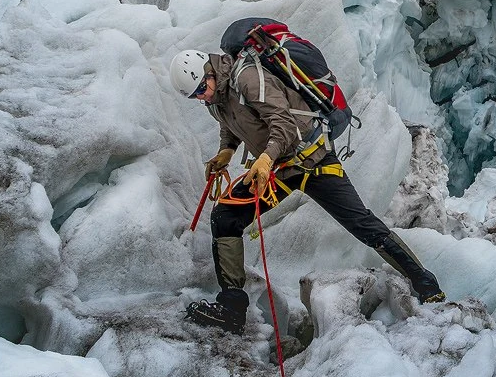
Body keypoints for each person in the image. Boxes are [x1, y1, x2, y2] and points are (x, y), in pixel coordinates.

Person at [169, 48, 445, 334]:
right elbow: (231, 124)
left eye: (202, 88)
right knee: (226, 216)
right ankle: (232, 308)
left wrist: (265, 157)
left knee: (362, 224)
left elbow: (283, 124)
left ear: (209, 72)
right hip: (280, 170)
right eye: (195, 95)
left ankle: (426, 282)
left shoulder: (247, 78)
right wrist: (226, 151)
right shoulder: (217, 97)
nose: (202, 96)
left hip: (313, 160)